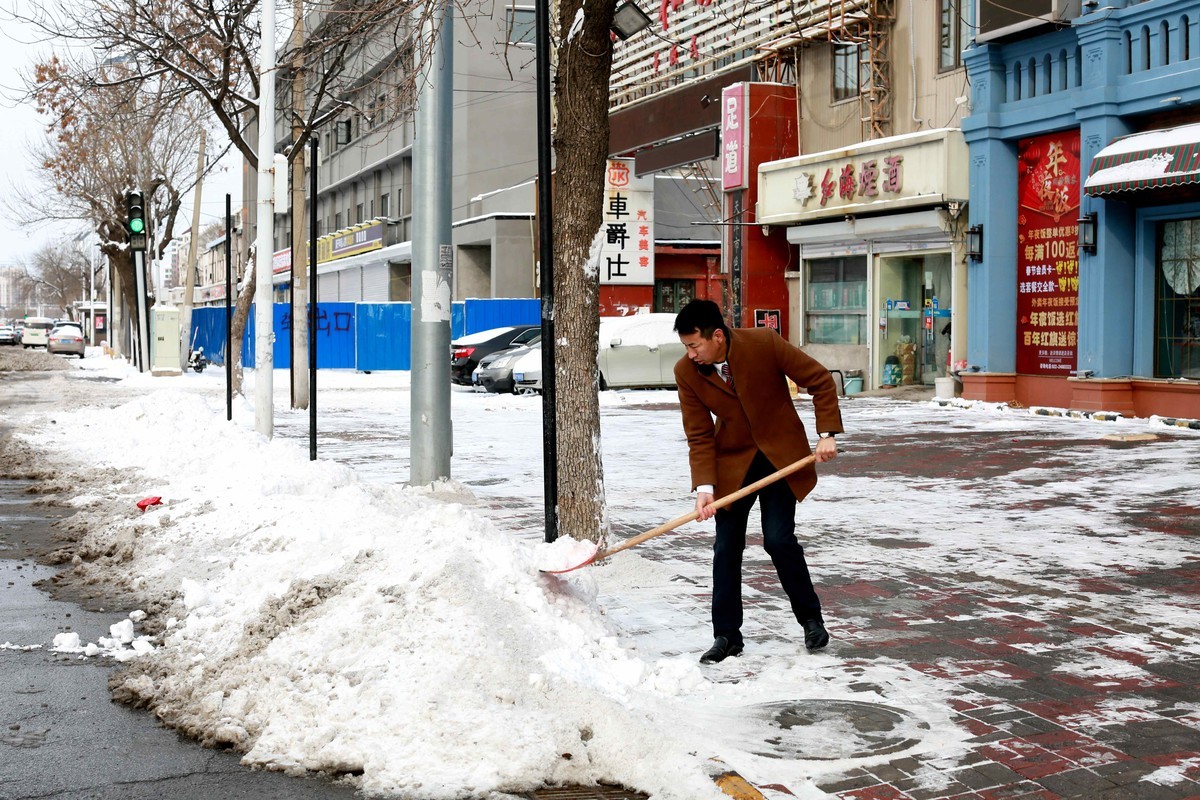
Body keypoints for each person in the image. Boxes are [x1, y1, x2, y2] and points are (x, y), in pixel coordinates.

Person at [673, 299, 843, 664]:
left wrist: (827, 432)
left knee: (779, 540)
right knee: (726, 548)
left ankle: (811, 620)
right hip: (733, 465)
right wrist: (705, 488)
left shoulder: (763, 343)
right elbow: (700, 435)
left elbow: (820, 380)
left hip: (782, 457)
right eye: (686, 347)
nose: (691, 354)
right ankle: (727, 636)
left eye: (695, 345)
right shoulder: (687, 372)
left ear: (717, 336)